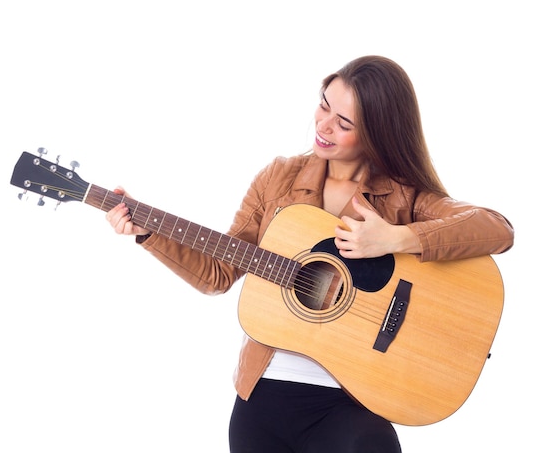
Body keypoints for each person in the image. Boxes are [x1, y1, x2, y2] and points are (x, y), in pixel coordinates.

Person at [105, 55, 514, 452]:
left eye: (345, 122)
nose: (324, 125)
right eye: (323, 105)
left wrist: (395, 238)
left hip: (351, 404)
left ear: (377, 132)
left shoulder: (402, 195)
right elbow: (218, 273)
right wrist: (149, 233)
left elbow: (496, 228)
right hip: (262, 399)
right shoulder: (278, 178)